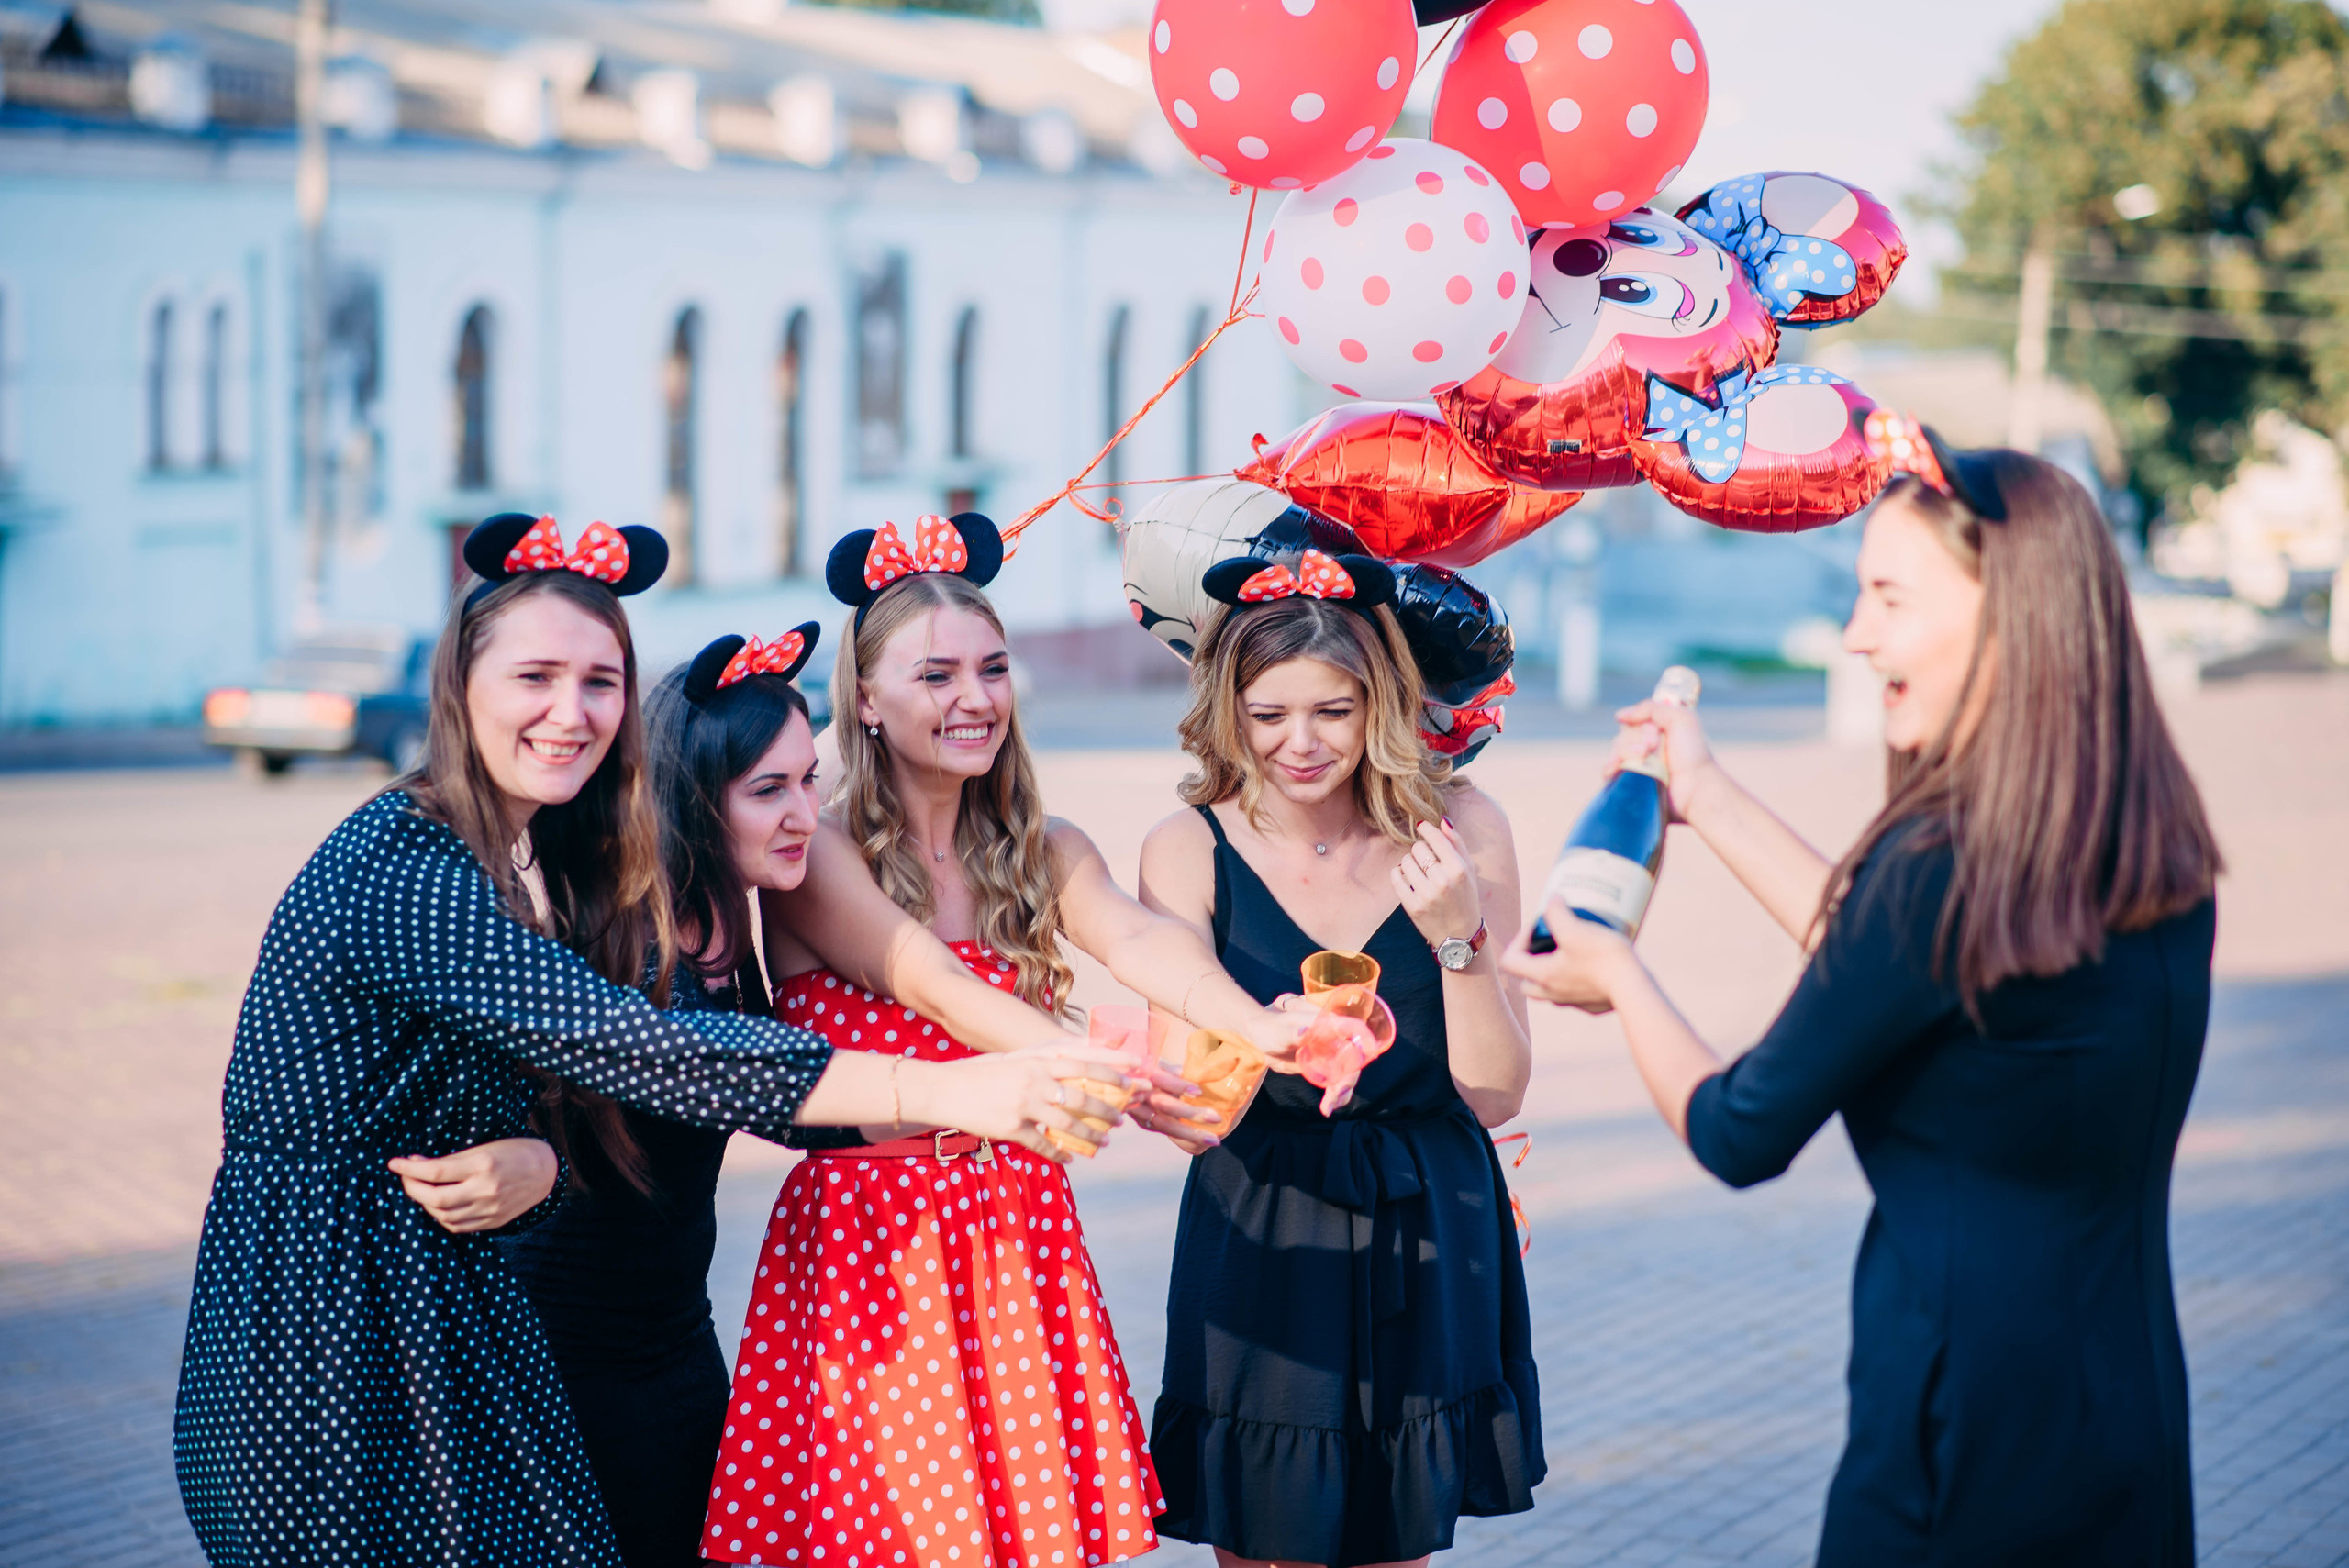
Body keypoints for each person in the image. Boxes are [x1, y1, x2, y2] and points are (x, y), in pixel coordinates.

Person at [173, 515, 1131, 1568]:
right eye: (535, 675)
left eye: (601, 681)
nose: (570, 711)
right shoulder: (405, 858)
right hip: (322, 1334)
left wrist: (532, 1151)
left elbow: (580, 1074)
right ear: (458, 685)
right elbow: (628, 1044)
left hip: (456, 1323)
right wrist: (961, 1090)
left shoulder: (537, 855)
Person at [1501, 428, 2222, 1568]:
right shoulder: (2143, 849)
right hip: (2120, 1414)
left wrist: (1619, 976)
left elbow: (1740, 1128)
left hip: (1958, 1436)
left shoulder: (1942, 865)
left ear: (2008, 609)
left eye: (1888, 594)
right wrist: (1707, 794)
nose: (1854, 635)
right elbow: (1892, 970)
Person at [701, 512, 1302, 1568]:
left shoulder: (1044, 845)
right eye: (934, 674)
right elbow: (924, 979)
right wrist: (1090, 1066)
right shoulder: (821, 844)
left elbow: (1141, 941)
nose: (973, 698)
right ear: (867, 700)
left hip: (1013, 1231)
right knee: (884, 1535)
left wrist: (1256, 1022)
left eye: (991, 666)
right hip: (871, 1253)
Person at [478, 624, 1119, 1568]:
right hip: (566, 1340)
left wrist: (979, 1133)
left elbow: (791, 1106)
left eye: (807, 779)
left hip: (670, 1330)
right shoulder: (639, 939)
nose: (801, 814)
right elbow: (732, 1071)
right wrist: (979, 1084)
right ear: (694, 799)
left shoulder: (719, 923)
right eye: (767, 789)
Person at [1135, 546, 1544, 1568]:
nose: (1298, 743)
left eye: (1332, 710)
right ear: (1228, 710)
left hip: (1427, 1214)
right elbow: (1191, 1095)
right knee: (1264, 1544)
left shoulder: (1462, 828)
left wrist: (1457, 934)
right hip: (1263, 1218)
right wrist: (1240, 1040)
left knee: (1394, 1548)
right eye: (1268, 715)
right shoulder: (1187, 847)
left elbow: (1492, 1092)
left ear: (1382, 704)